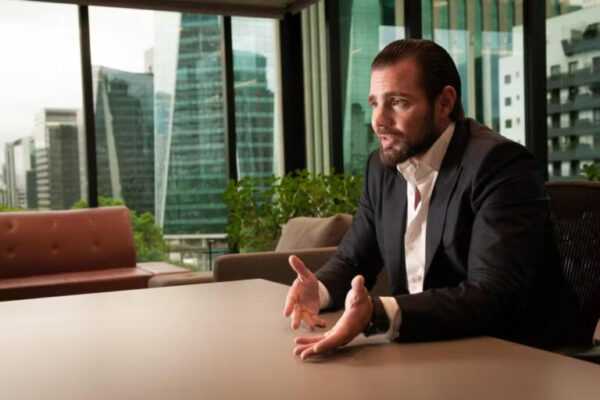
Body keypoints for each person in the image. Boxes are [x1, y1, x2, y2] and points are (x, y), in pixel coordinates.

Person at [283, 39, 578, 360]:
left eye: (397, 102)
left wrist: (378, 314)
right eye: (374, 103)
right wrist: (319, 290)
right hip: (425, 347)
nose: (379, 120)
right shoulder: (382, 168)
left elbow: (493, 294)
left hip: (514, 355)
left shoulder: (499, 165)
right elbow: (354, 259)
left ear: (444, 102)